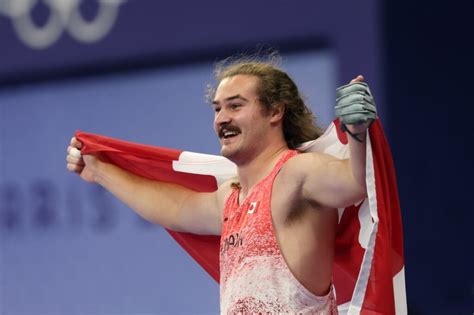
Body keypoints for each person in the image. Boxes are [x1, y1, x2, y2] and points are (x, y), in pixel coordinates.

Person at [66, 58, 376, 314]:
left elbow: (355, 182)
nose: (221, 119)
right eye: (217, 109)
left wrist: (357, 132)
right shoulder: (230, 198)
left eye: (235, 106)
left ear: (275, 111)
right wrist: (101, 170)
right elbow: (172, 208)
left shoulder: (296, 174)